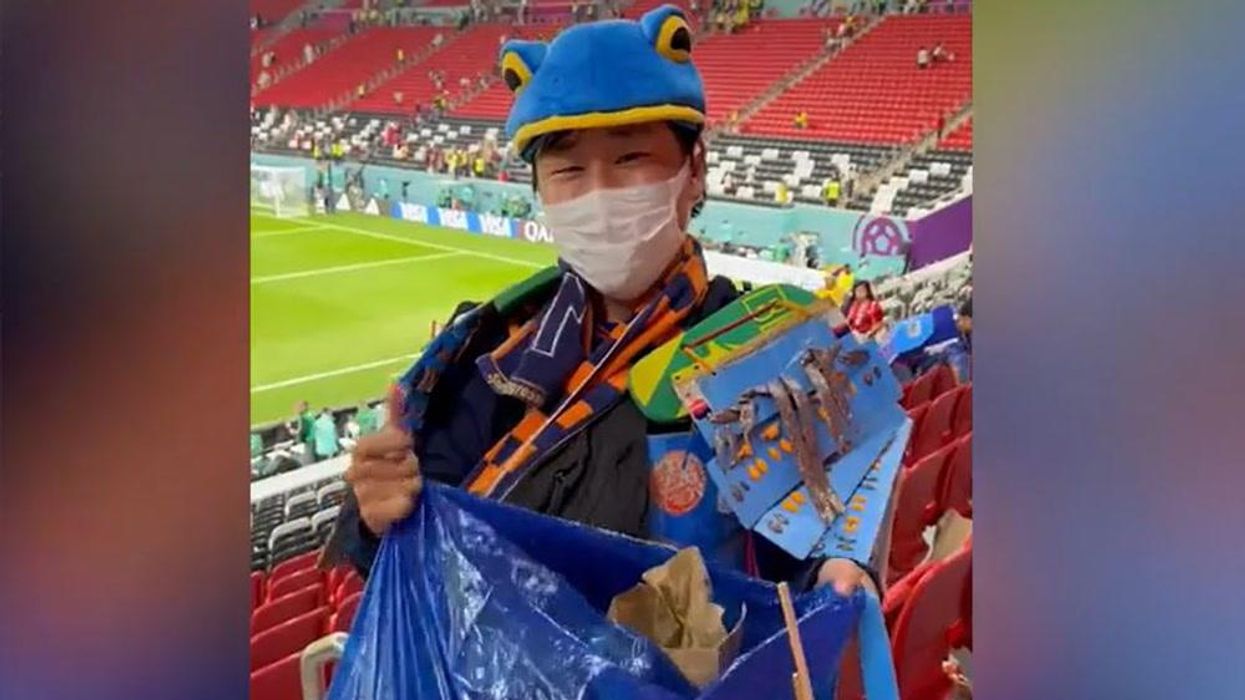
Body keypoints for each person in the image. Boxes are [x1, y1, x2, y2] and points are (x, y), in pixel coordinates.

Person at [329, 7, 874, 598]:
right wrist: (377, 517)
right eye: (568, 170)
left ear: (695, 169)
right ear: (540, 190)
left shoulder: (773, 349)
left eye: (629, 160)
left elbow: (824, 547)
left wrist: (841, 575)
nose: (599, 195)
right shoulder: (487, 352)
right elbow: (412, 561)